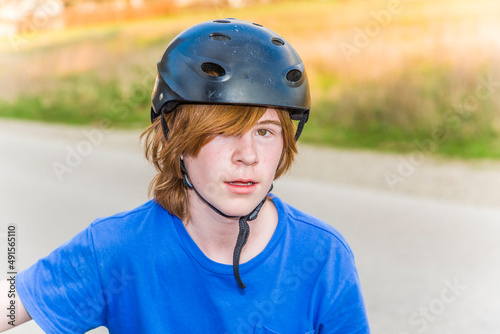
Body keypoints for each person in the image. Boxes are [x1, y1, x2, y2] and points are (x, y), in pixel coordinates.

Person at [1, 18, 369, 333]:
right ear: (176, 138)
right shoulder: (116, 247)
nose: (248, 156)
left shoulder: (322, 256)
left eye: (265, 131)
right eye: (224, 131)